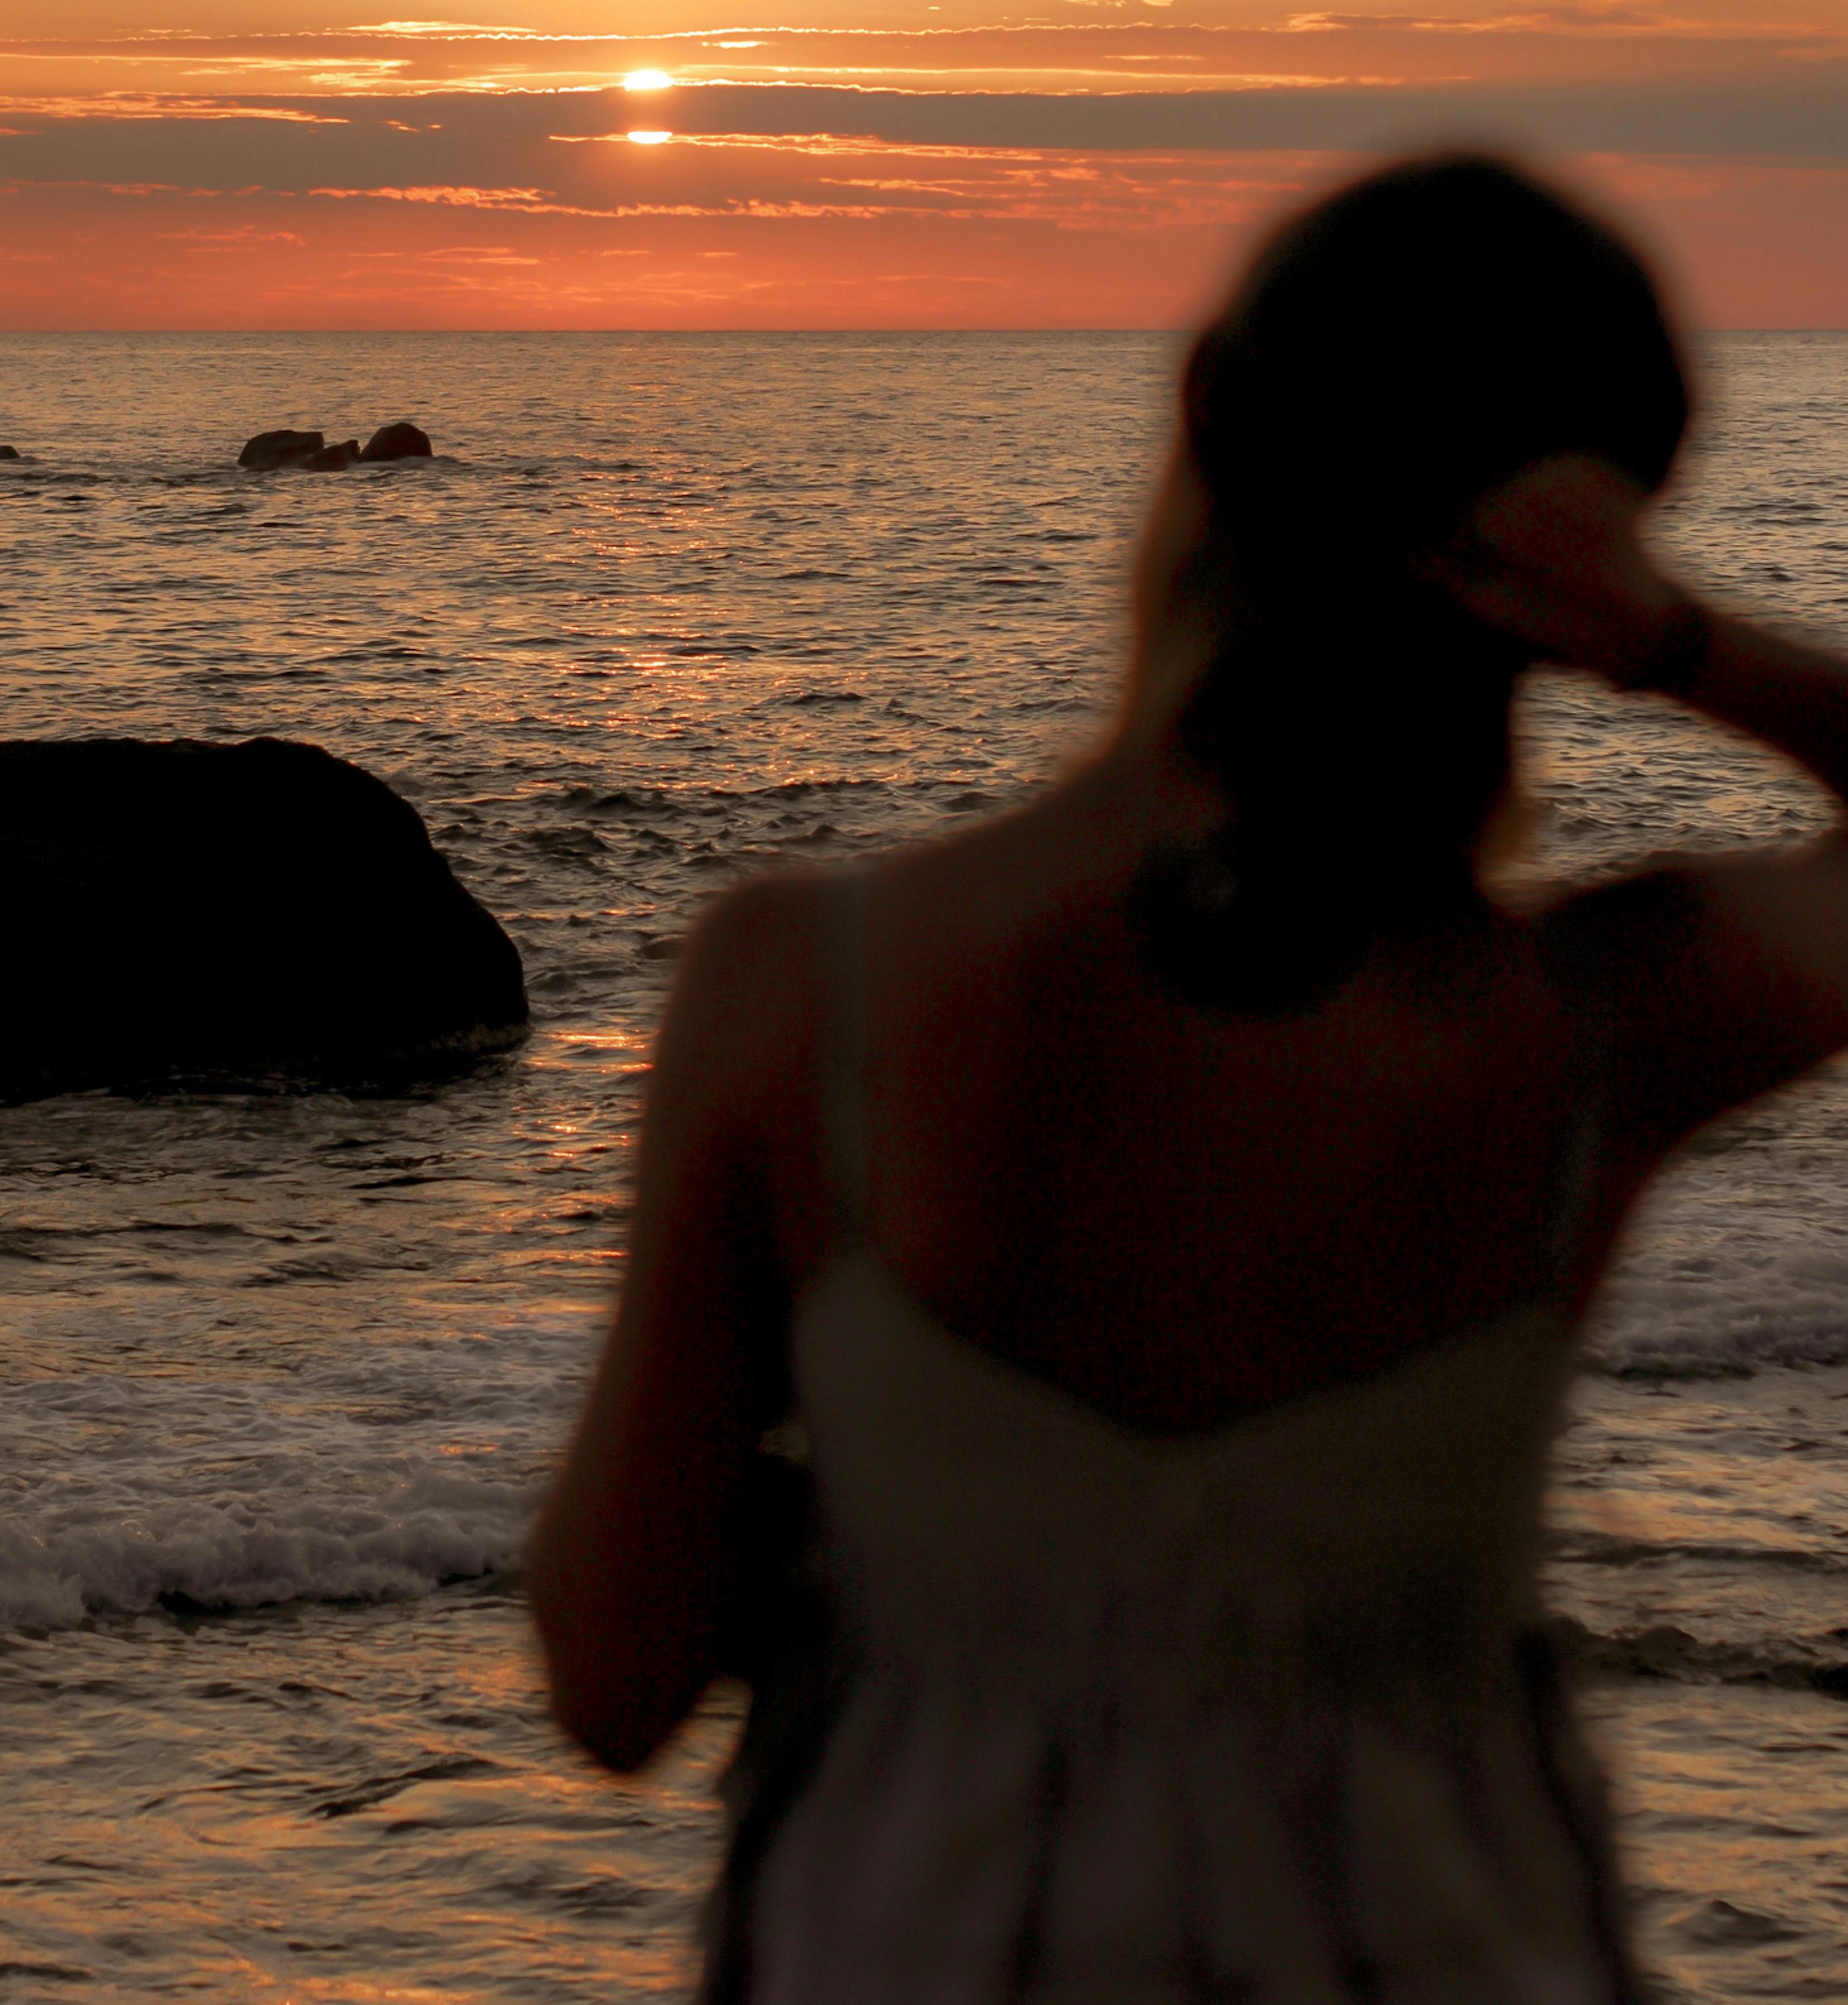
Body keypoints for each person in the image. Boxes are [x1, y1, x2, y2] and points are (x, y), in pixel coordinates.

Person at [529, 152, 1848, 2001]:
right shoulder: (1589, 1022)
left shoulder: (804, 989)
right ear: (1586, 538)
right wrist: (1683, 647)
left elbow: (613, 1684)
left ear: (1205, 414)